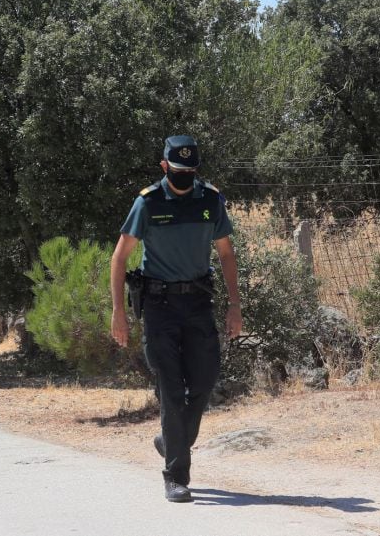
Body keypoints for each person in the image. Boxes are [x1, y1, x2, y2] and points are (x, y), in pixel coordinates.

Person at [110, 135, 241, 503]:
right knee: (170, 389)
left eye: (191, 171)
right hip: (159, 307)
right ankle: (175, 475)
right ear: (164, 166)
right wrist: (118, 312)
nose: (185, 177)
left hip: (199, 304)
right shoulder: (148, 202)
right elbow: (120, 258)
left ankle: (170, 440)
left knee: (203, 382)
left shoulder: (210, 199)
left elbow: (226, 254)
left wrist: (235, 305)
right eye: (178, 170)